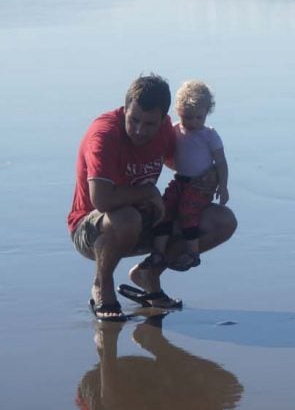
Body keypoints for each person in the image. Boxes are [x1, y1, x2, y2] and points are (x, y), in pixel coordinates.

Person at [68, 74, 237, 320]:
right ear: (124, 108)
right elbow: (101, 201)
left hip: (149, 219)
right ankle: (102, 287)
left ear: (164, 120)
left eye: (149, 124)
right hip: (93, 229)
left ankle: (149, 274)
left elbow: (177, 162)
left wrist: (207, 178)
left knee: (223, 221)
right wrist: (148, 192)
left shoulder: (166, 131)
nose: (139, 130)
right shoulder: (104, 135)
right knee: (126, 218)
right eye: (134, 119)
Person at [147, 80, 229, 272]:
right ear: (178, 111)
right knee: (164, 208)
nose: (192, 123)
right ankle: (158, 252)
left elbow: (221, 162)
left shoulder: (209, 136)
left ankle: (193, 253)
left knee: (187, 211)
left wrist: (223, 186)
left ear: (207, 113)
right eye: (187, 117)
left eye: (198, 118)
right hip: (180, 180)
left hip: (201, 184)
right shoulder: (175, 130)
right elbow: (166, 154)